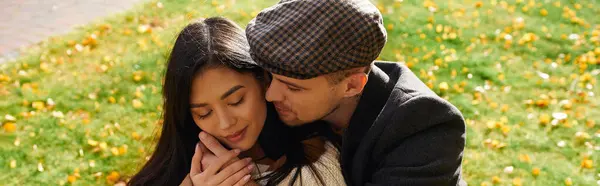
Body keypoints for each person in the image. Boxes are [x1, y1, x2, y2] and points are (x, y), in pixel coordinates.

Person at [244, 0, 467, 185]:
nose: (270, 95)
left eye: (293, 87)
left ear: (352, 86)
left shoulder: (425, 128)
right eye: (269, 76)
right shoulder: (282, 93)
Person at [128, 17, 344, 186]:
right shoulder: (181, 168)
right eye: (203, 113)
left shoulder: (317, 147)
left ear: (262, 80)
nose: (225, 124)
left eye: (236, 101)